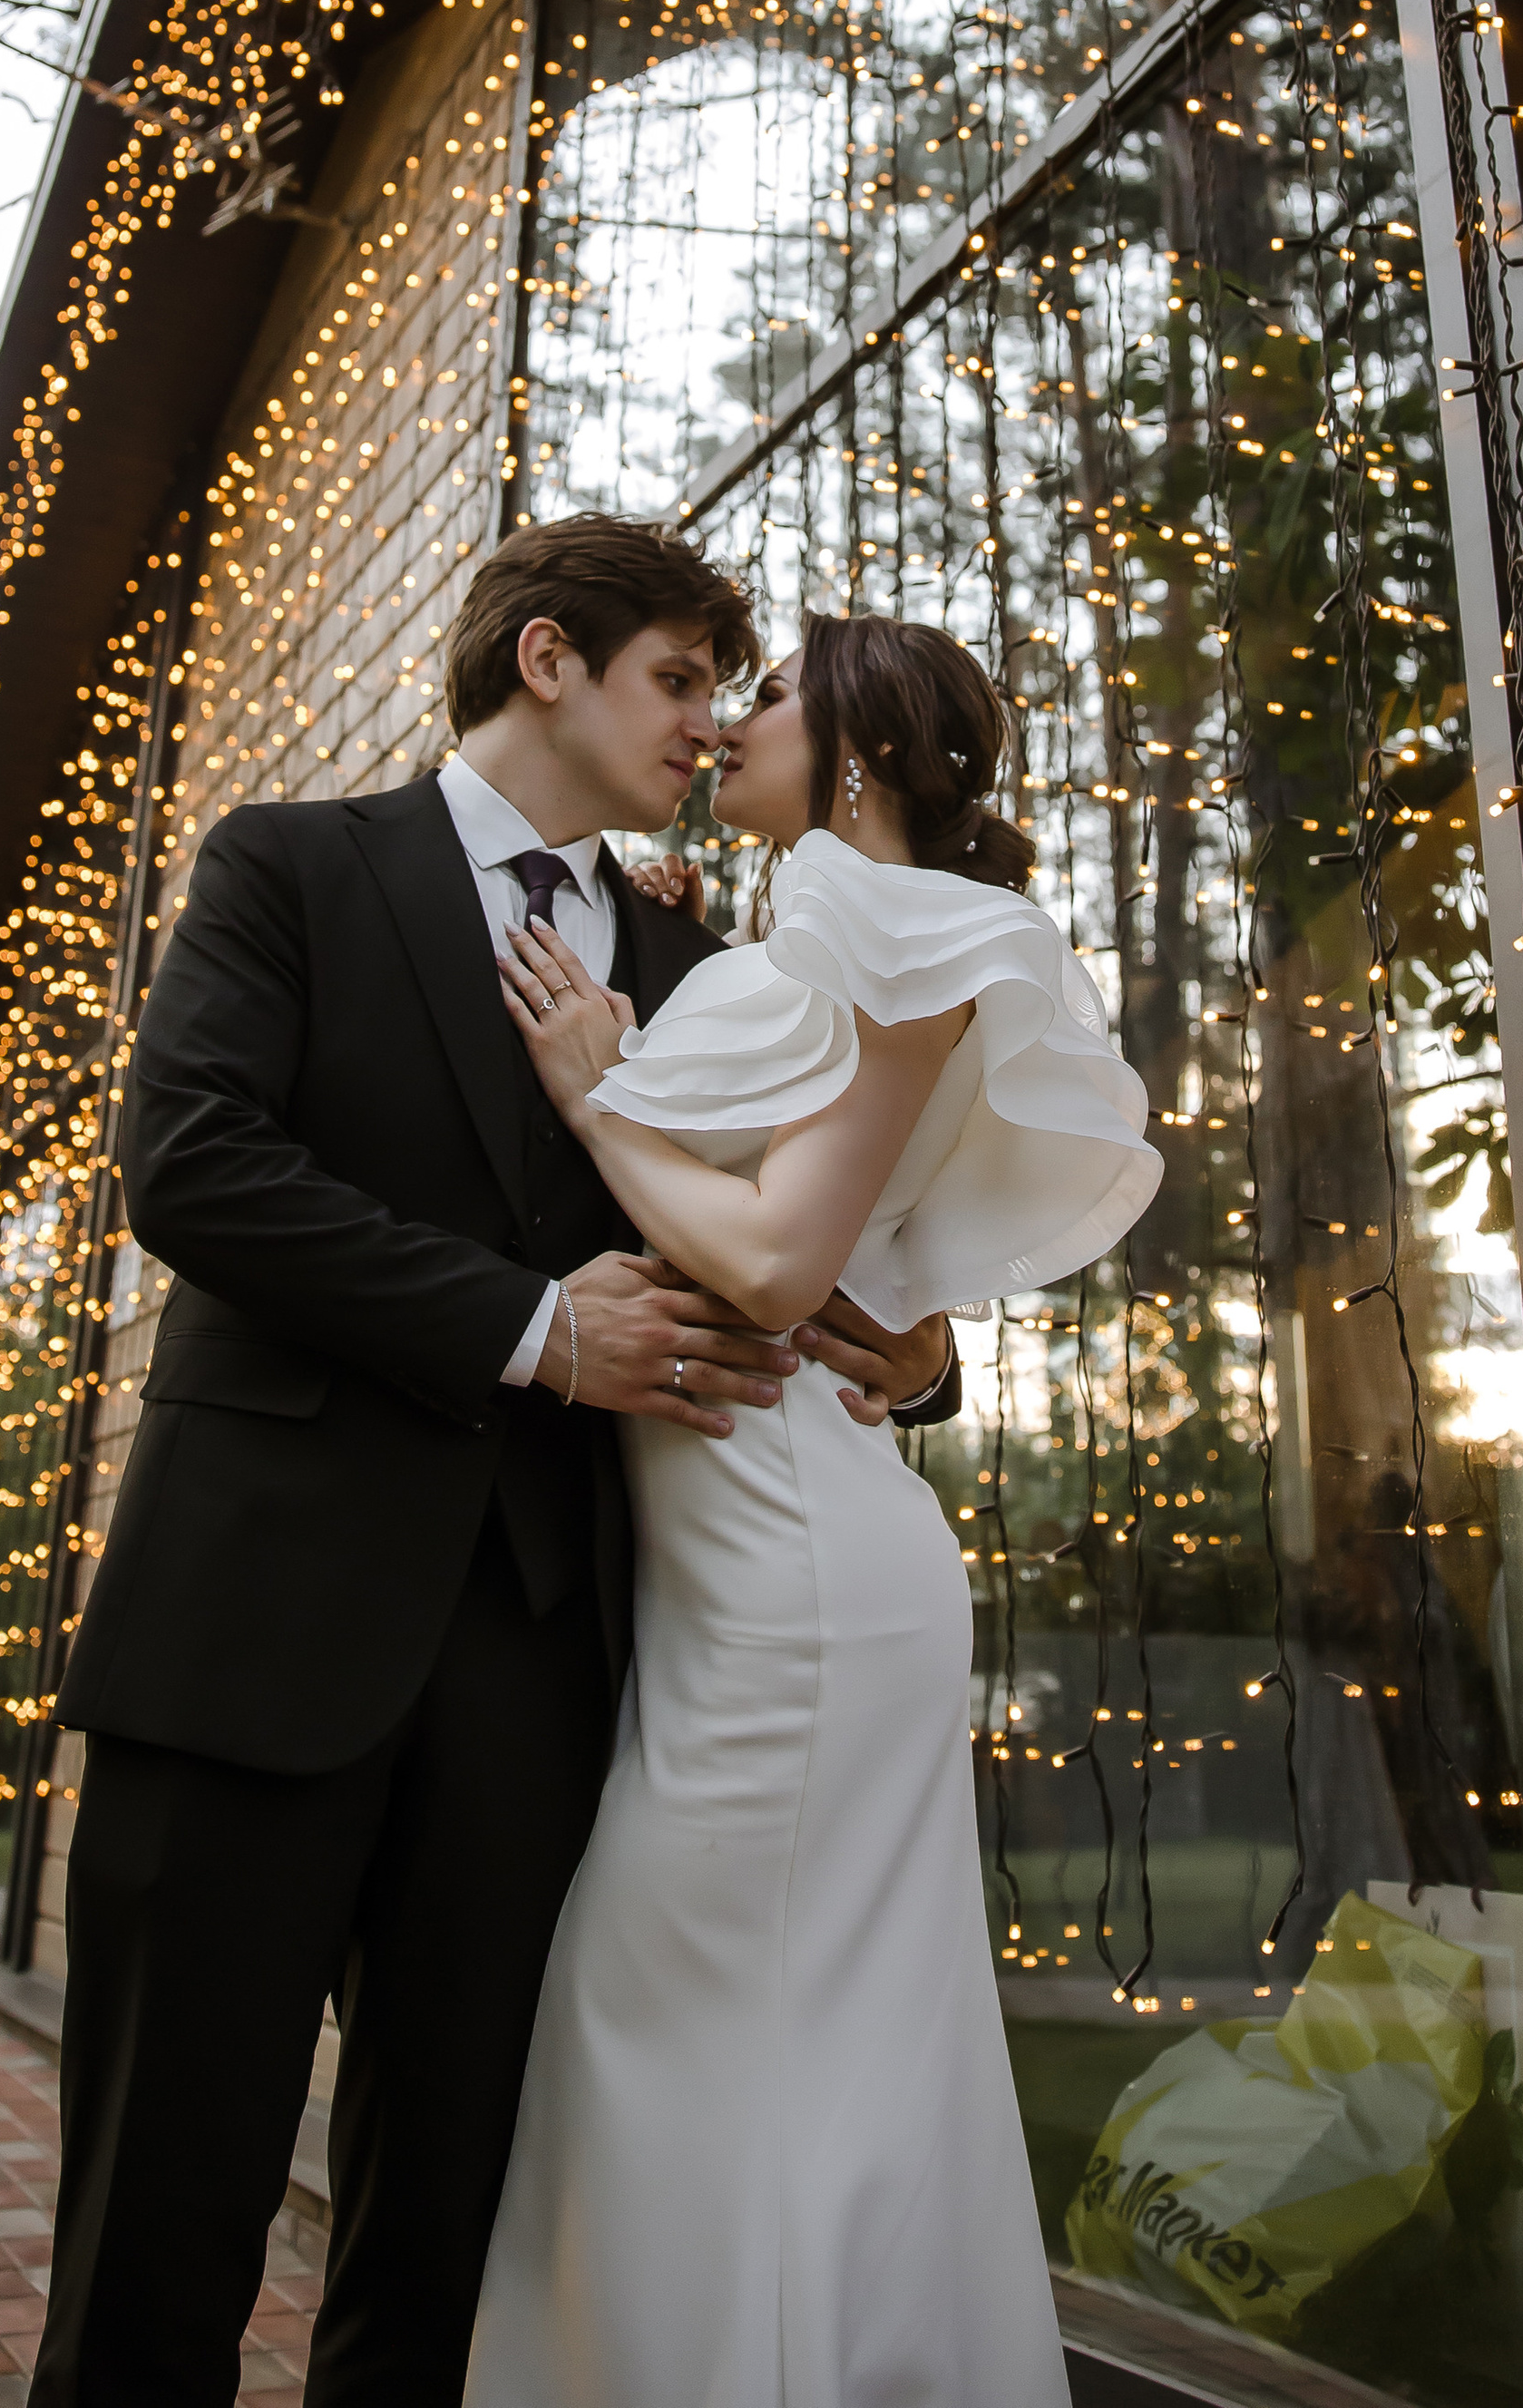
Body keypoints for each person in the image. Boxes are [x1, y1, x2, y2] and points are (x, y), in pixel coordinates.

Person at [28, 516, 963, 2408]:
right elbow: (195, 1171)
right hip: (251, 1630)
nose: (706, 726)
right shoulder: (292, 863)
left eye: (722, 692)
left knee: (443, 2244)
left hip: (545, 1672)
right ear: (548, 660)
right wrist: (535, 1328)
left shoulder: (703, 963)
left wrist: (919, 1356)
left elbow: (803, 1236)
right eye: (677, 680)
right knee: (156, 2227)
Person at [468, 611, 1163, 2408]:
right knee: (753, 2018)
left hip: (794, 1562)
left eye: (764, 694)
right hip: (735, 1544)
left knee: (674, 2003)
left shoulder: (900, 935)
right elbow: (828, 1243)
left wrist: (599, 1099)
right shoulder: (793, 942)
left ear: (855, 745)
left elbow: (779, 1268)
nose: (727, 723)